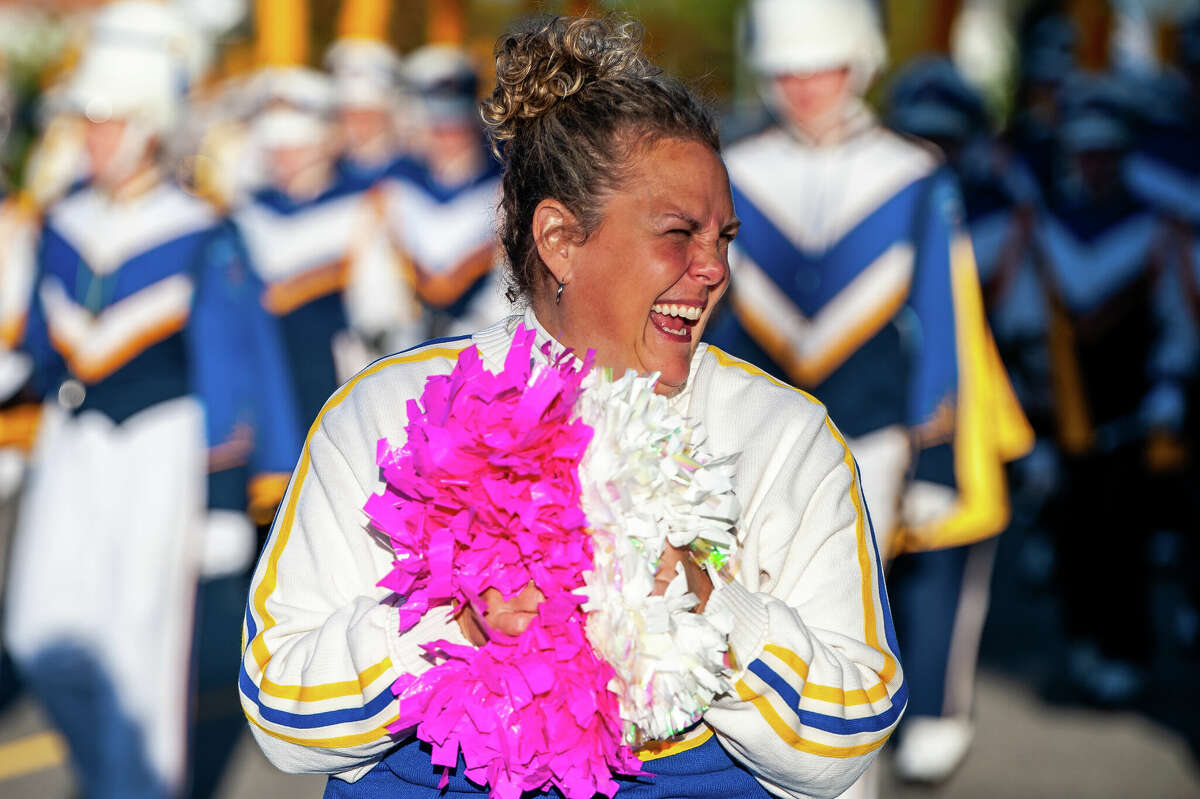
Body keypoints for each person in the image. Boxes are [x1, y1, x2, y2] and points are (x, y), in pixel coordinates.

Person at [241, 14, 905, 799]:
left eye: (723, 237)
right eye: (678, 233)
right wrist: (454, 621)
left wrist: (708, 601)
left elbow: (850, 731)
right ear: (559, 238)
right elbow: (281, 710)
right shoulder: (382, 413)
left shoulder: (784, 436)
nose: (712, 269)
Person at [707, 0, 1030, 791]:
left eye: (821, 67)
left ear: (858, 63)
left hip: (875, 428)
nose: (804, 85)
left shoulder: (915, 173)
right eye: (788, 70)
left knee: (848, 610)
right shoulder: (734, 169)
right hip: (758, 428)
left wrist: (936, 455)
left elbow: (942, 321)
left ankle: (849, 772)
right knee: (748, 598)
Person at [2, 4, 300, 796]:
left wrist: (226, 498)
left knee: (141, 657)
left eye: (109, 122)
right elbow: (34, 346)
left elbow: (237, 368)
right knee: (37, 634)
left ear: (148, 127)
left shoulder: (202, 228)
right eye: (89, 122)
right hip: (71, 447)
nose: (92, 136)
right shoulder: (62, 220)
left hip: (162, 452)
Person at [1033, 72, 1192, 705]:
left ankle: (1126, 647)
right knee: (1073, 533)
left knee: (1126, 533)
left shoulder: (1158, 228)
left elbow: (1177, 316)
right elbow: (1027, 331)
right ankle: (1084, 643)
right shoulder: (1043, 227)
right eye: (1084, 152)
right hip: (1062, 415)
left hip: (1134, 410)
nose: (1094, 164)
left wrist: (1172, 384)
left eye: (1106, 153)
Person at [378, 45, 508, 342]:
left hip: (484, 338)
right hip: (408, 340)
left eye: (458, 128)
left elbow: (510, 282)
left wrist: (483, 328)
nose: (448, 138)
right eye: (439, 128)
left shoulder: (504, 186)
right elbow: (379, 279)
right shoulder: (396, 187)